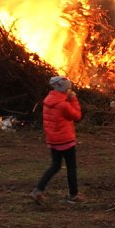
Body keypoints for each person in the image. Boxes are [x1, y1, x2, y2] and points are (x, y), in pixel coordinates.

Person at [30, 75, 84, 204]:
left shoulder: (48, 100)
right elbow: (77, 116)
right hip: (65, 140)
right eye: (69, 89)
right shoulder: (63, 105)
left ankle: (38, 190)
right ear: (65, 90)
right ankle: (73, 195)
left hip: (53, 140)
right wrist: (73, 99)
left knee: (55, 165)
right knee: (71, 168)